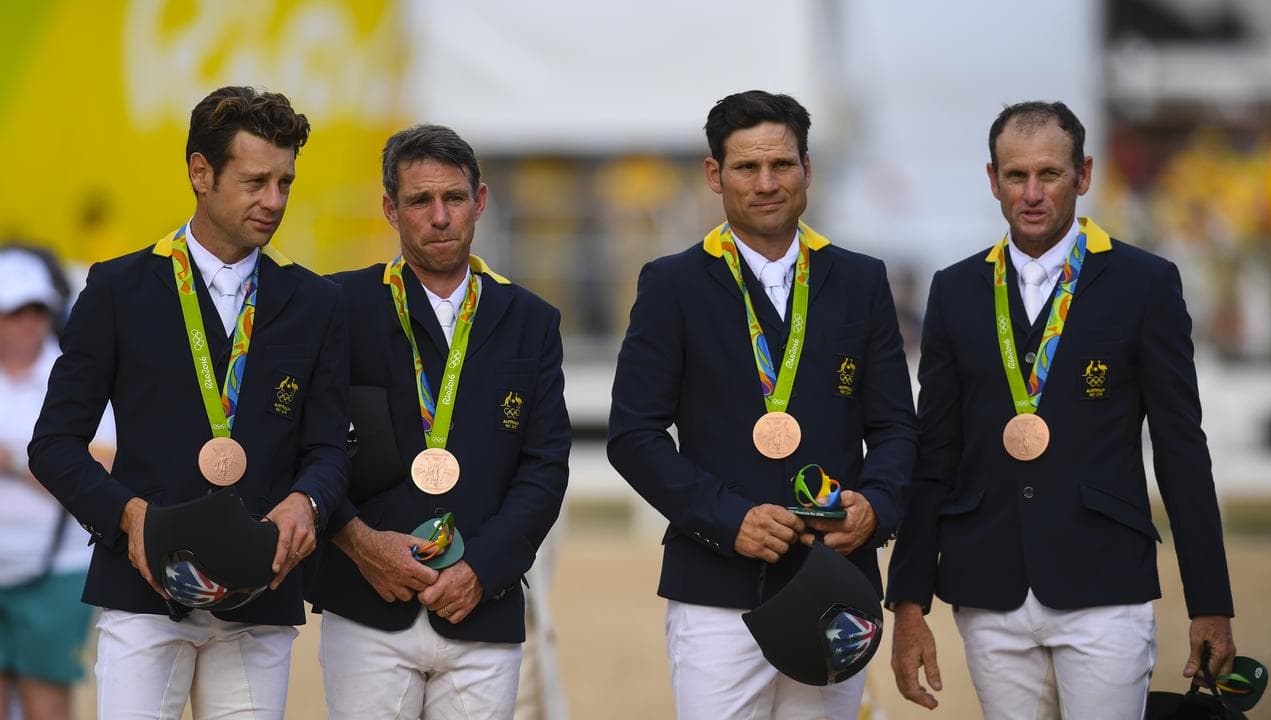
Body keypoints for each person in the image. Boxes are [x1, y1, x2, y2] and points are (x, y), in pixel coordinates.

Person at [886, 101, 1236, 719]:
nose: (1032, 193)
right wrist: (910, 603)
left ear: (1085, 174)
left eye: (1049, 174)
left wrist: (1211, 602)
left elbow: (1182, 446)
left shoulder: (1145, 283)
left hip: (1104, 585)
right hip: (988, 588)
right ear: (992, 180)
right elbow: (934, 451)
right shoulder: (957, 289)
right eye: (1016, 176)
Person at [27, 86, 349, 719]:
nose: (274, 201)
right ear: (200, 173)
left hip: (263, 591)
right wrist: (130, 518)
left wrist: (306, 501)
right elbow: (53, 446)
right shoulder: (117, 288)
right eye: (256, 181)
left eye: (285, 182)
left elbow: (329, 446)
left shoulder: (316, 303)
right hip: (144, 594)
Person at [607, 90, 918, 718]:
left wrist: (876, 507)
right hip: (716, 591)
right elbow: (633, 435)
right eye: (747, 168)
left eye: (782, 164)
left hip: (834, 582)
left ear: (807, 168)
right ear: (714, 175)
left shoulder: (860, 281)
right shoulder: (672, 284)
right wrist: (730, 520)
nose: (767, 182)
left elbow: (894, 427)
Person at [308, 124, 571, 719]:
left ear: (480, 201)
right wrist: (361, 544)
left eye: (454, 198)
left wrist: (483, 568)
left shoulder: (530, 321)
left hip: (482, 605)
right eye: (420, 201)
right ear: (389, 210)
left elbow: (546, 466)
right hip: (366, 600)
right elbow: (310, 447)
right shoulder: (337, 308)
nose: (440, 217)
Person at [0, 246, 114, 720]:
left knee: (46, 701)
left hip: (56, 568)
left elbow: (105, 473)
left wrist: (13, 461)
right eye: (14, 311)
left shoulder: (74, 375)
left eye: (36, 310)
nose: (28, 323)